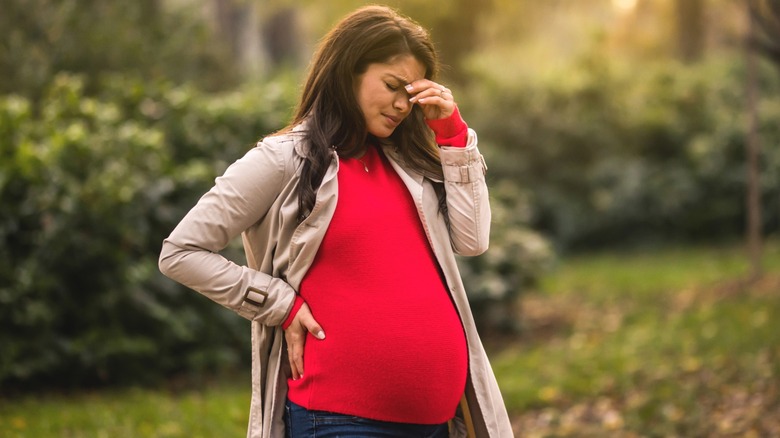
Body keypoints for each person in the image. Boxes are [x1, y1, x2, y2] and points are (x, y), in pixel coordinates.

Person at [159, 5, 512, 438]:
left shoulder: (410, 164)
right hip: (338, 421)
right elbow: (180, 251)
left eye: (412, 92)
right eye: (391, 85)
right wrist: (281, 305)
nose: (403, 104)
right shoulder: (284, 158)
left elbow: (472, 240)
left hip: (436, 422)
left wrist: (453, 136)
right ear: (348, 72)